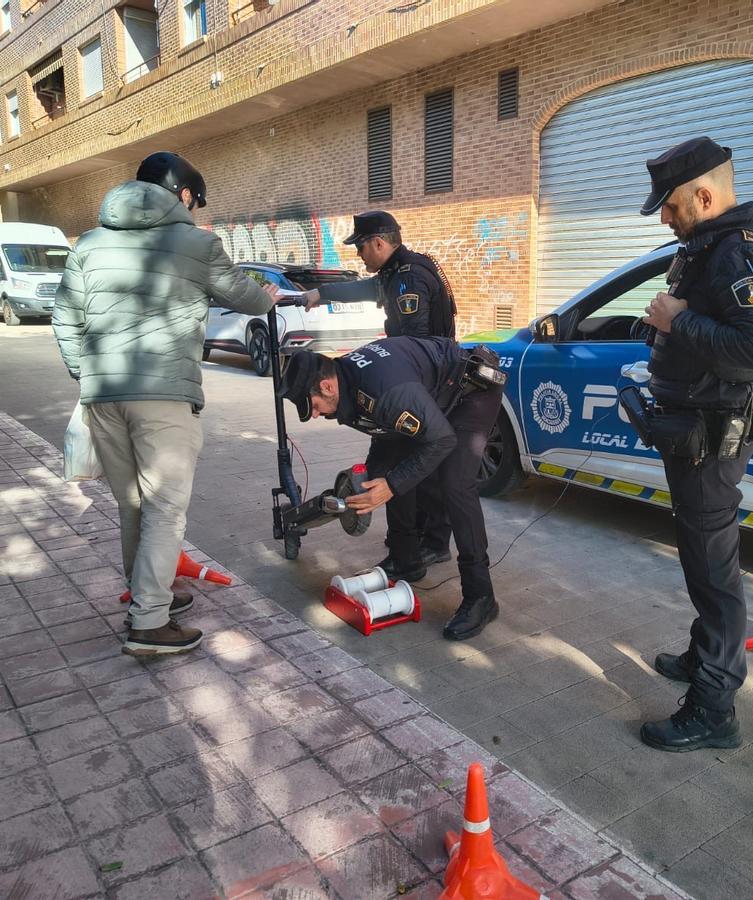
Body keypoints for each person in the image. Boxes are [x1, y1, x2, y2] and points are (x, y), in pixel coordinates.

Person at [53, 151, 276, 657]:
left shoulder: (87, 245)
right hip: (163, 397)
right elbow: (249, 298)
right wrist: (271, 299)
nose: (195, 211)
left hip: (102, 396)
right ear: (182, 194)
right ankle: (149, 623)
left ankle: (149, 596)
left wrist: (86, 373)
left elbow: (64, 320)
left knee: (133, 504)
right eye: (195, 201)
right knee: (165, 509)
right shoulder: (195, 243)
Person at [634, 137, 753, 752]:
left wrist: (679, 322)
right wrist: (664, 328)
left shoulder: (742, 253)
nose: (664, 219)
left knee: (714, 573)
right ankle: (704, 658)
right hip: (692, 429)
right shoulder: (707, 247)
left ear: (704, 194)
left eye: (669, 207)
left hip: (712, 434)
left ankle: (714, 707)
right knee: (702, 561)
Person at [280, 337, 503, 640]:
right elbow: (385, 440)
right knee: (389, 472)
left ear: (327, 386)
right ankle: (405, 559)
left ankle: (481, 597)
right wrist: (374, 482)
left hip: (471, 392)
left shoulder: (384, 391)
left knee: (455, 485)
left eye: (313, 406)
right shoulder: (350, 382)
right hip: (431, 394)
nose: (316, 415)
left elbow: (442, 440)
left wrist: (392, 485)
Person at [301, 210, 457, 575]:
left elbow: (414, 346)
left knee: (415, 465)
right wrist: (319, 294)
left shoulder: (410, 278)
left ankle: (426, 546)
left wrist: (386, 381)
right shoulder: (395, 272)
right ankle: (413, 543)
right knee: (404, 465)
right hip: (421, 381)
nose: (359, 256)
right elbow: (362, 288)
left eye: (361, 248)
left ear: (379, 243)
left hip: (424, 385)